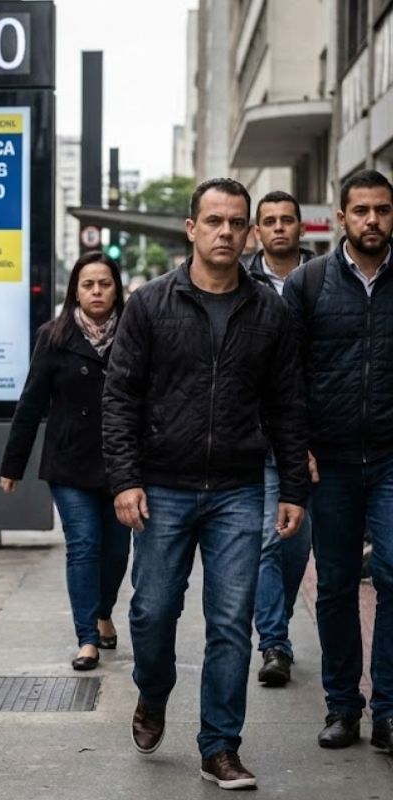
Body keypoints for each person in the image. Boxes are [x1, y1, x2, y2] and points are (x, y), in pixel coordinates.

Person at [102, 177, 309, 790]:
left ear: (249, 233)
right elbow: (120, 397)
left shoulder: (269, 311)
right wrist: (125, 479)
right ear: (191, 228)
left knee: (230, 622)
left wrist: (292, 487)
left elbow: (288, 405)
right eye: (214, 221)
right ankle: (153, 691)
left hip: (239, 489)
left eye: (236, 222)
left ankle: (220, 746)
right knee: (151, 611)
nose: (226, 232)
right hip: (162, 485)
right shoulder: (150, 304)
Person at [283, 168, 393, 753]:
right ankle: (343, 707)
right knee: (335, 585)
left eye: (383, 209)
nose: (373, 220)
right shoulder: (308, 283)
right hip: (330, 461)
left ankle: (389, 710)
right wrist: (297, 445)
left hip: (391, 458)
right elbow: (286, 376)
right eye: (362, 210)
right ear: (341, 215)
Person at [0, 252, 131, 672]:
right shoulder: (54, 336)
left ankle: (103, 610)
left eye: (104, 284)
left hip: (121, 463)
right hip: (69, 462)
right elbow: (31, 402)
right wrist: (13, 465)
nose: (97, 292)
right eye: (88, 284)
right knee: (84, 545)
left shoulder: (134, 332)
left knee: (117, 552)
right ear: (75, 289)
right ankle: (86, 638)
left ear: (116, 289)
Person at [246, 190, 316, 688]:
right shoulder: (244, 283)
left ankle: (278, 618)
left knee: (298, 548)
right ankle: (274, 643)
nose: (278, 228)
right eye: (268, 221)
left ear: (301, 227)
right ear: (257, 231)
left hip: (323, 436)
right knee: (270, 541)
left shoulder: (325, 278)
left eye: (286, 220)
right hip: (264, 438)